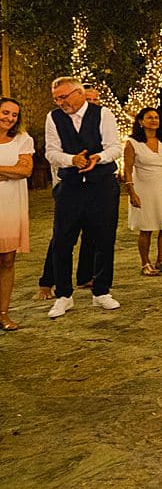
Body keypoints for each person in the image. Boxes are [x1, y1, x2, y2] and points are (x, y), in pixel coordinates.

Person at [45, 76, 123, 317]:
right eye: (56, 98)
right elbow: (51, 152)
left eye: (63, 97)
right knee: (62, 240)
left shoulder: (103, 114)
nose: (60, 102)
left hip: (102, 186)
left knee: (104, 238)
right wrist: (72, 160)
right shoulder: (53, 118)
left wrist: (97, 158)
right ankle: (64, 295)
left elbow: (115, 147)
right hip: (70, 187)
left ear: (78, 93)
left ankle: (101, 292)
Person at [36, 84, 105, 299]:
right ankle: (48, 282)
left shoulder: (98, 121)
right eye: (90, 99)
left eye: (96, 101)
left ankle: (85, 276)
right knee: (62, 238)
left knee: (92, 235)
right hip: (66, 184)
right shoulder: (58, 121)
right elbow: (54, 155)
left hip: (93, 185)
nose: (92, 104)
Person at [125, 107, 162, 276]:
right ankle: (145, 262)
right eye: (149, 118)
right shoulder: (133, 143)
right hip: (143, 188)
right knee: (146, 227)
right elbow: (127, 168)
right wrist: (131, 192)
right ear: (141, 122)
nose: (154, 120)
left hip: (161, 188)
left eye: (156, 117)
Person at [0, 97, 34, 330]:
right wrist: (8, 172)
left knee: (7, 259)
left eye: (14, 114)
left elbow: (25, 170)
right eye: (5, 112)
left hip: (11, 204)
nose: (9, 118)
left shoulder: (23, 139)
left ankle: (3, 313)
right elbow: (16, 170)